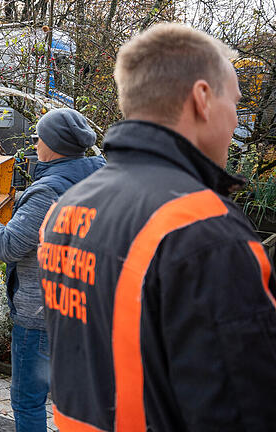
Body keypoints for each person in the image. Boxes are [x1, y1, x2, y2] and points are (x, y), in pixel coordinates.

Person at [40, 23, 276, 431]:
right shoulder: (204, 231)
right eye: (234, 104)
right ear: (202, 98)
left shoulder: (66, 208)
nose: (235, 123)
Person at [0, 108, 105, 432]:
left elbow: (8, 245)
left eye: (37, 138)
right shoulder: (101, 178)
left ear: (52, 144)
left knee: (28, 401)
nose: (34, 144)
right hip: (86, 309)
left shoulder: (48, 191)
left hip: (41, 316)